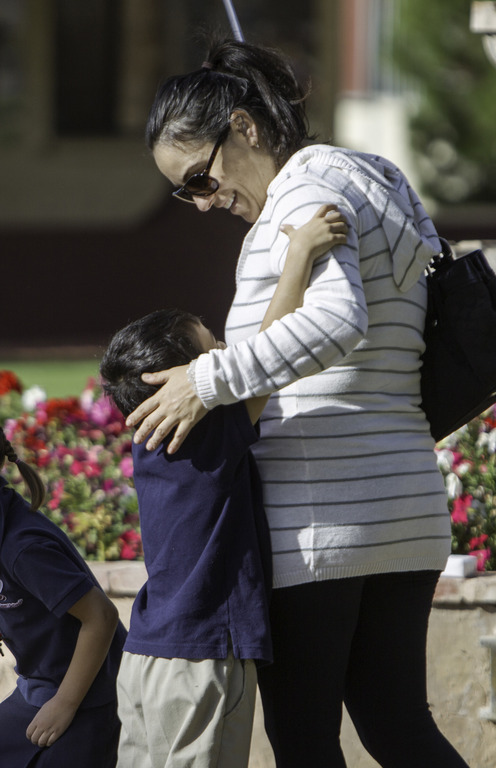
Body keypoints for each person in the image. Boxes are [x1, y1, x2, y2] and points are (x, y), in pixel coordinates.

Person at [126, 37, 471, 768]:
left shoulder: (303, 193)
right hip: (403, 512)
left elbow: (336, 323)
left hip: (322, 526)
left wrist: (205, 380)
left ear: (245, 127)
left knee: (306, 739)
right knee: (397, 727)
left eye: (200, 177)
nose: (203, 202)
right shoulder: (372, 176)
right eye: (184, 193)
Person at [99, 205, 347, 768]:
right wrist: (301, 255)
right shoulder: (201, 432)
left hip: (146, 657)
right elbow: (266, 356)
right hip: (201, 657)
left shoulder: (153, 439)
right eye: (211, 350)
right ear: (174, 382)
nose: (222, 360)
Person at [0, 427, 126, 768]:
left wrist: (65, 703)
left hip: (86, 699)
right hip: (38, 689)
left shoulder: (22, 547)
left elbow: (101, 617)